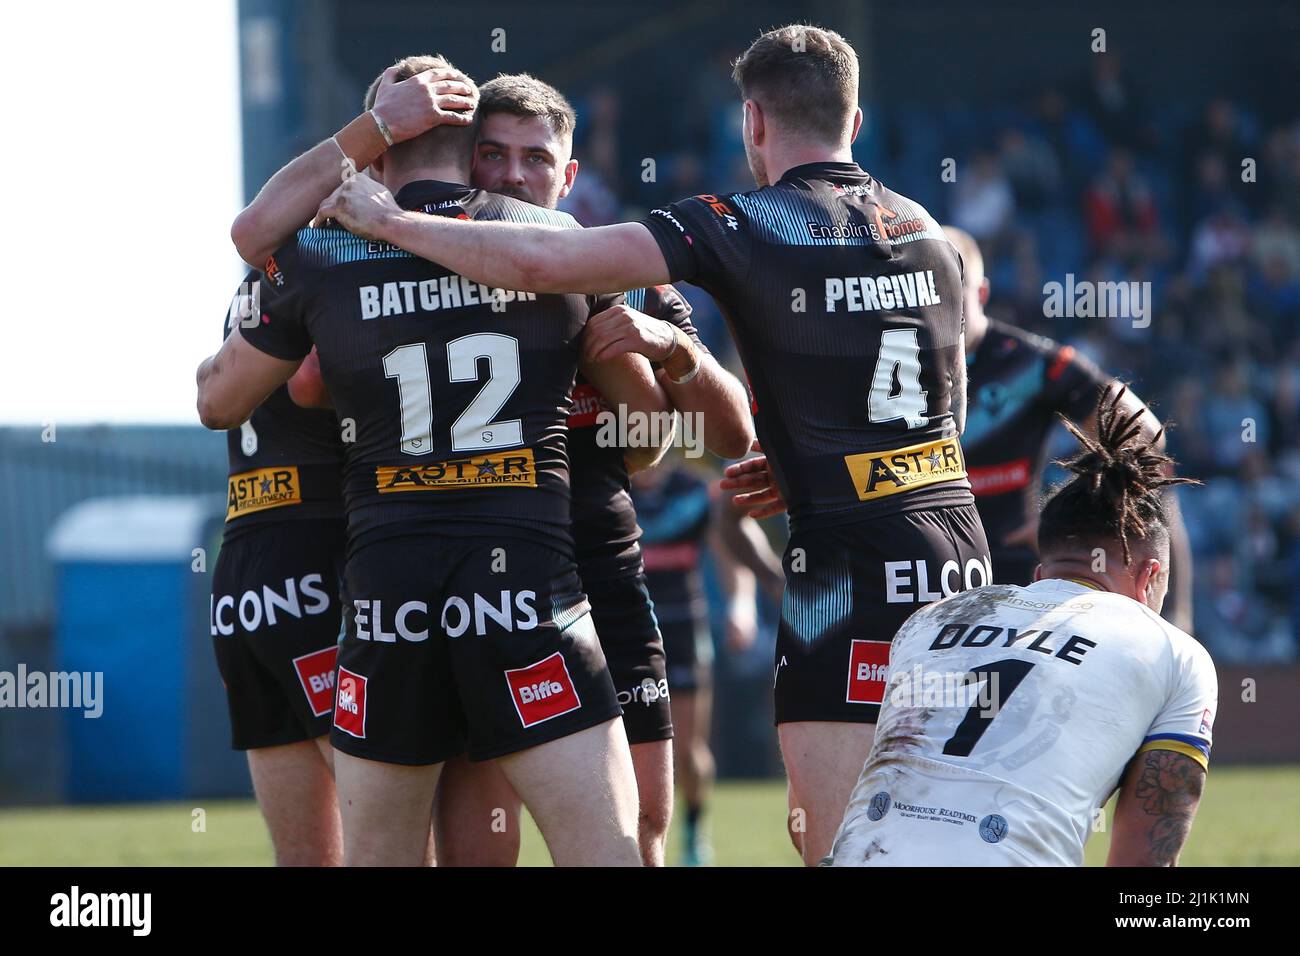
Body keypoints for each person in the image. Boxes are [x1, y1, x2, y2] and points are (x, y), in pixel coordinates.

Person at [313, 24, 992, 866]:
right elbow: (946, 405)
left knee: (786, 835)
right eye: (496, 155)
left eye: (536, 161)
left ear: (751, 123)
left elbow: (681, 441)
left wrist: (389, 219)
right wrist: (822, 457)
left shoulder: (702, 232)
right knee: (953, 818)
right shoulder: (928, 228)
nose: (515, 176)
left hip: (676, 568)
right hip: (950, 546)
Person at [198, 54, 660, 866]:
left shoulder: (319, 252)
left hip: (387, 599)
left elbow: (219, 403)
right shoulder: (558, 241)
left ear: (376, 156)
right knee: (610, 853)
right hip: (527, 588)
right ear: (475, 144)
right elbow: (648, 436)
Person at [828, 387, 1213, 866]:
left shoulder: (929, 620)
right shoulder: (1173, 653)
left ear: (1040, 570)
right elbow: (1144, 859)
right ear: (1150, 576)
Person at [210, 278, 347, 866]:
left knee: (302, 858)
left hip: (242, 572)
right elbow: (309, 380)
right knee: (392, 832)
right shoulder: (335, 263)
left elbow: (212, 392)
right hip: (317, 561)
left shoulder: (256, 286)